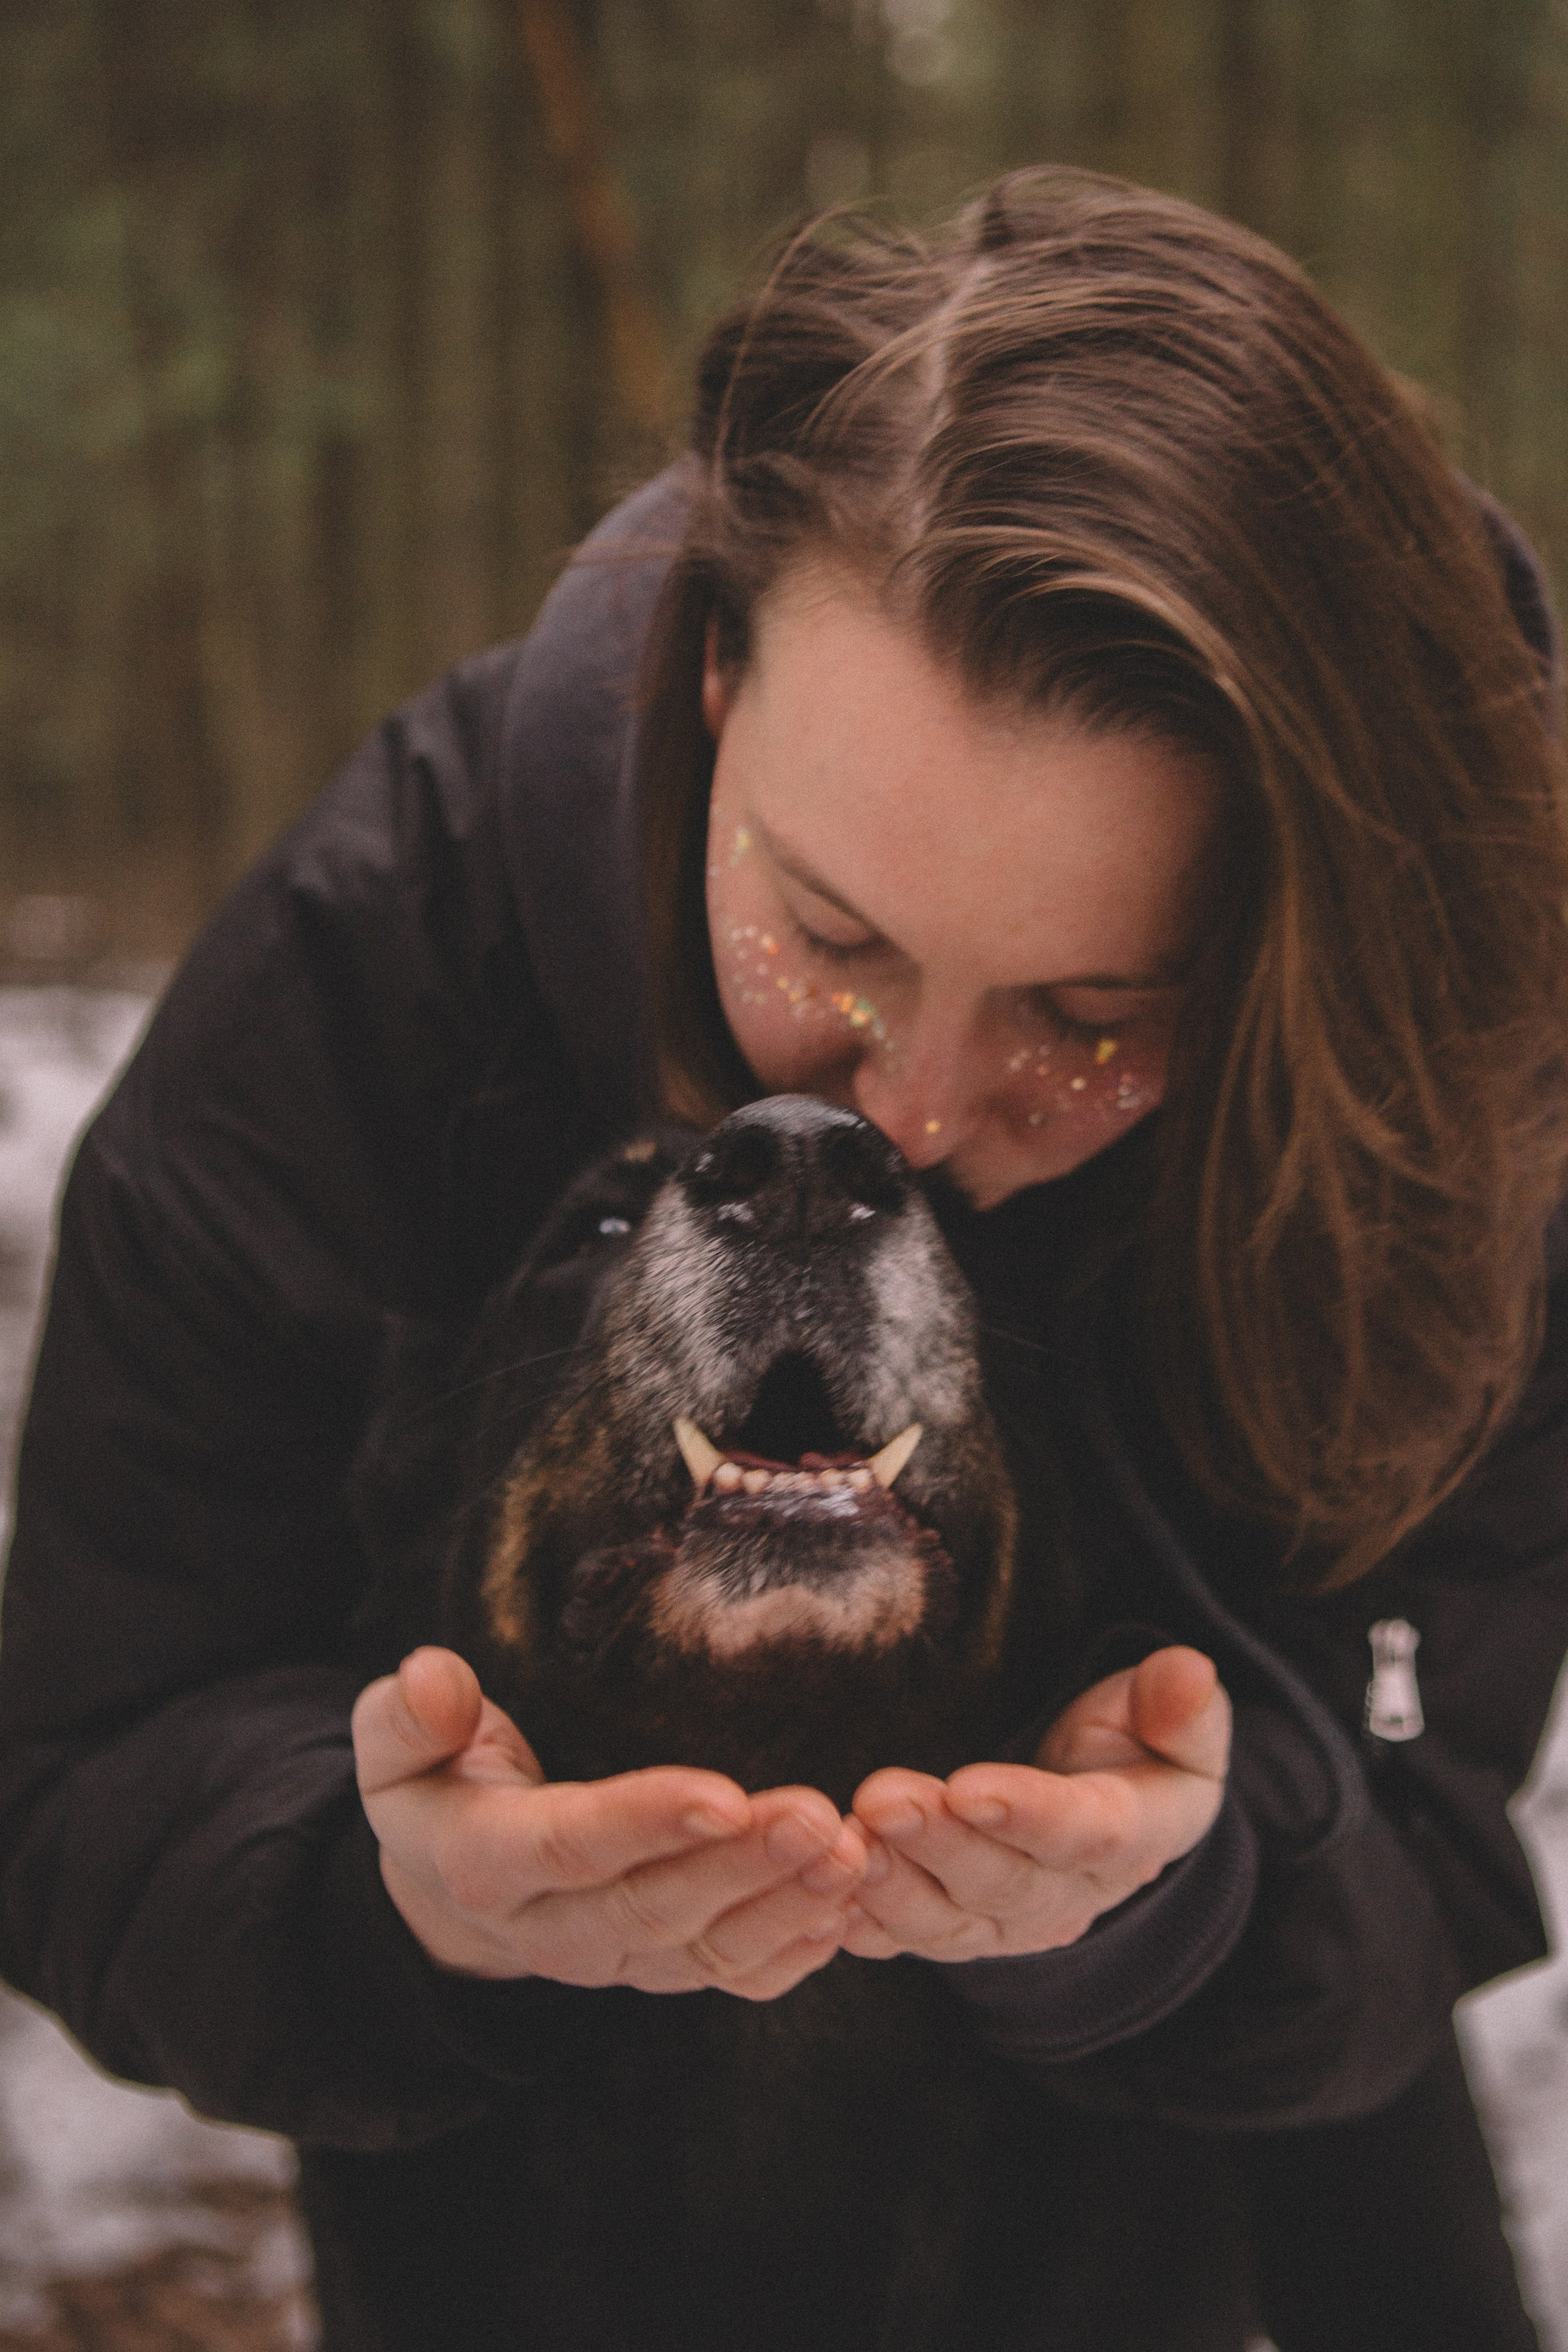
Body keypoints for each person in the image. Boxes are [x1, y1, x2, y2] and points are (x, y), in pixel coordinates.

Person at [1, 167, 1564, 2350]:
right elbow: (86, 1771)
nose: (894, 1128)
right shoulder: (364, 982)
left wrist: (1190, 1903)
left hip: (1199, 2163)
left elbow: (1425, 1837)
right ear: (713, 674)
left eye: (1094, 1021)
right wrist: (390, 1907)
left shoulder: (1464, 1081)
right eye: (829, 940)